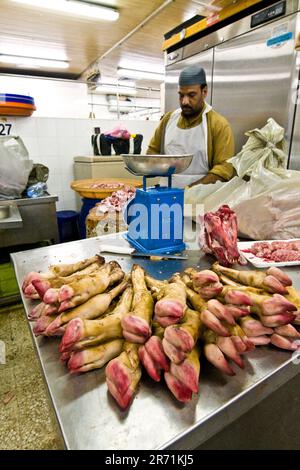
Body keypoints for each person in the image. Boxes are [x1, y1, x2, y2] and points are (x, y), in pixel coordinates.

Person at [147, 64, 235, 188]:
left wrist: (190, 190)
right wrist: (156, 165)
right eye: (181, 95)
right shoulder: (168, 119)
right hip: (166, 192)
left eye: (191, 95)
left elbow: (224, 169)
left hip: (201, 198)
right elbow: (152, 151)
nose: (185, 101)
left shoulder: (218, 124)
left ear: (204, 92)